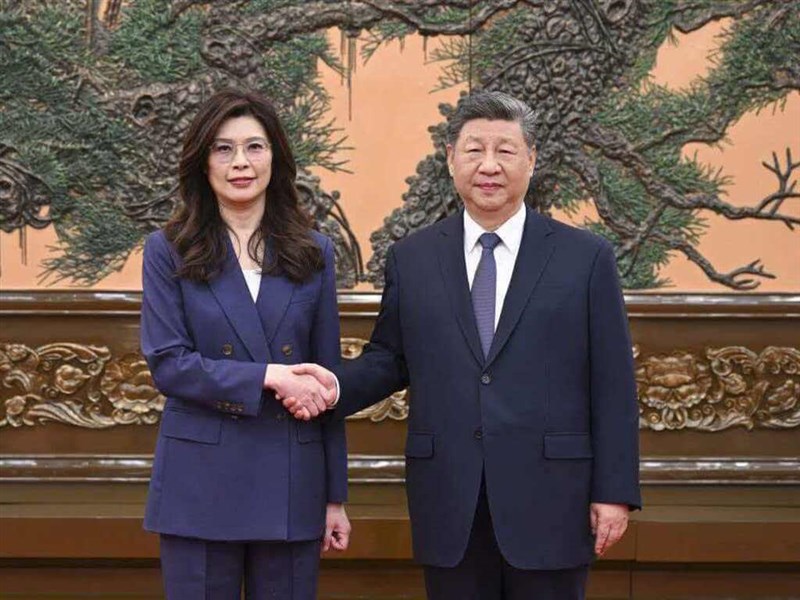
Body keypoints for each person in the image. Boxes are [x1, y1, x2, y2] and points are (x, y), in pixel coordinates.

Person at [284, 91, 641, 600]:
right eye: (474, 150)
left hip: (553, 498)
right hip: (450, 496)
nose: (489, 165)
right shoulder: (413, 258)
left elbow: (613, 383)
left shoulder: (585, 258)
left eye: (505, 150)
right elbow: (389, 359)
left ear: (531, 159)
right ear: (451, 158)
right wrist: (331, 387)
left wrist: (614, 492)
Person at [140, 88, 350, 599]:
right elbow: (169, 364)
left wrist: (335, 497)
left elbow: (326, 381)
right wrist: (270, 376)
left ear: (275, 158)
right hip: (200, 483)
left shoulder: (314, 252)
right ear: (203, 162)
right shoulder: (168, 250)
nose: (240, 162)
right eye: (223, 148)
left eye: (254, 147)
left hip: (292, 480)